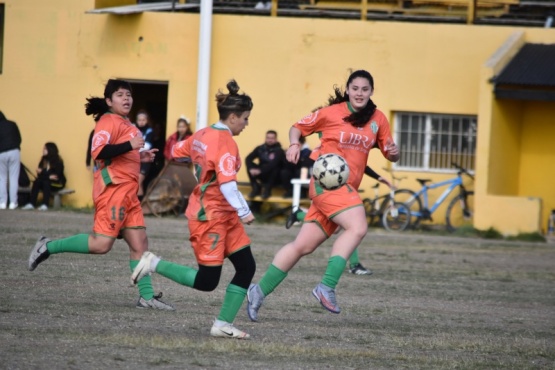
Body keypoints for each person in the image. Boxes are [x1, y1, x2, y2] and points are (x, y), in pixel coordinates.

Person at [246, 69, 400, 321]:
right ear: (348, 89)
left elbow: (390, 153)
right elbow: (297, 127)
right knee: (358, 227)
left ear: (371, 91)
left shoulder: (378, 119)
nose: (359, 93)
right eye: (355, 88)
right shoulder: (332, 112)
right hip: (326, 184)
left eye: (365, 89)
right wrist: (294, 143)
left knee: (302, 246)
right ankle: (326, 286)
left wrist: (394, 152)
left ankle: (258, 291)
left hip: (344, 190)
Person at [28, 79, 174, 310]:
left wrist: (140, 157)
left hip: (128, 194)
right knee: (101, 245)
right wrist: (130, 146)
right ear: (109, 101)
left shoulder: (124, 122)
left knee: (140, 244)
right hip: (113, 192)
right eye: (120, 95)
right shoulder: (107, 121)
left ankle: (146, 296)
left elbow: (119, 154)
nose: (126, 98)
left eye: (129, 94)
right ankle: (47, 246)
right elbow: (98, 152)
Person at [130, 80, 256, 339]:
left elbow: (177, 151)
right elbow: (228, 185)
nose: (246, 123)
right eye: (245, 118)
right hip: (209, 217)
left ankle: (222, 324)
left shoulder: (202, 134)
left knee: (247, 267)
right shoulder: (226, 144)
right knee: (208, 281)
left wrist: (199, 160)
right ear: (232, 117)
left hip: (224, 215)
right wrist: (245, 211)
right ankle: (154, 263)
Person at [285, 165, 396, 275]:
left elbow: (360, 161)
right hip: (335, 189)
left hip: (345, 188)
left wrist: (378, 177)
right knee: (352, 227)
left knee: (339, 228)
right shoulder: (335, 149)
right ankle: (354, 265)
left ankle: (298, 214)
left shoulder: (358, 149)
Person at [21, 143, 66, 211]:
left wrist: (43, 172)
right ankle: (31, 203)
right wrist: (47, 175)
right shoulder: (43, 160)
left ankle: (45, 204)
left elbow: (56, 175)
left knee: (46, 182)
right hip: (46, 181)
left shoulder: (58, 162)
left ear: (50, 150)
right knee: (37, 182)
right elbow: (39, 175)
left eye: (45, 149)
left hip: (57, 183)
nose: (43, 150)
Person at [245, 130, 285, 199]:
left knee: (275, 168)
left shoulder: (279, 151)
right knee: (250, 166)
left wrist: (260, 170)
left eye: (272, 138)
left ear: (276, 139)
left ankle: (267, 190)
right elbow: (248, 158)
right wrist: (251, 168)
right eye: (268, 138)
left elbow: (274, 164)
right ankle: (255, 188)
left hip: (274, 178)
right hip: (262, 174)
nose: (270, 140)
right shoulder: (260, 148)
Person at [0, 111, 22, 210]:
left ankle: (2, 203)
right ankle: (13, 203)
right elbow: (19, 138)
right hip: (14, 151)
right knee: (13, 178)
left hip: (1, 153)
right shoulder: (12, 124)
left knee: (2, 178)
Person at [133, 109, 154, 200]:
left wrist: (133, 147)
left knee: (138, 181)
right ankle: (140, 206)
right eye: (139, 120)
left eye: (143, 120)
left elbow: (147, 146)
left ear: (147, 120)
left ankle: (138, 204)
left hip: (145, 160)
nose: (141, 122)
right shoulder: (132, 129)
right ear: (136, 120)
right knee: (138, 184)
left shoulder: (149, 131)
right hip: (134, 160)